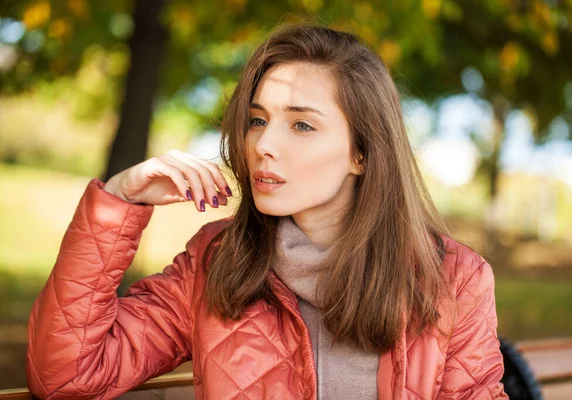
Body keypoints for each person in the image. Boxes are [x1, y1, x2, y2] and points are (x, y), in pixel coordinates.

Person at [26, 25, 508, 399]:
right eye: (257, 120)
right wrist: (118, 203)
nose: (263, 146)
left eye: (301, 124)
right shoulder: (216, 261)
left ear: (361, 153)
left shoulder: (452, 280)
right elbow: (67, 379)